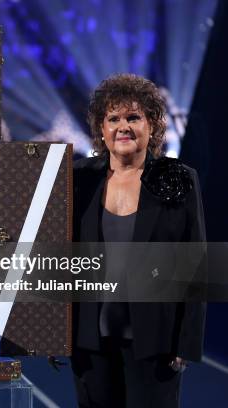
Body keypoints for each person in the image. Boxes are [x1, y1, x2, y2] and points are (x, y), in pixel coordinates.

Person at [71, 73, 206, 407]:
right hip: (90, 341)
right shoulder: (77, 178)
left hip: (156, 342)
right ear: (101, 129)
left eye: (133, 117)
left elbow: (195, 262)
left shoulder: (178, 178)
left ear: (152, 124)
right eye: (113, 118)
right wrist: (47, 333)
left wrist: (186, 342)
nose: (123, 127)